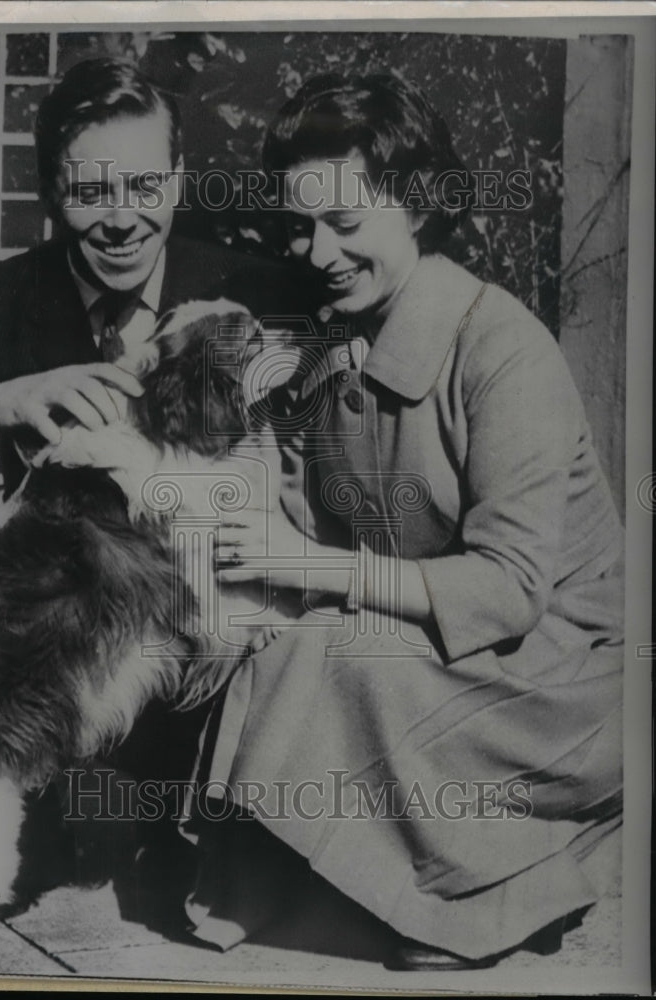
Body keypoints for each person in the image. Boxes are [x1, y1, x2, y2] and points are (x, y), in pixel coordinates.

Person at [181, 73, 624, 971]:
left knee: (349, 659)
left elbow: (507, 592)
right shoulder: (331, 339)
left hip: (557, 676)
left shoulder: (503, 349)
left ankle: (474, 900)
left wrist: (315, 569)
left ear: (419, 206)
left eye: (346, 225)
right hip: (429, 643)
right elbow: (311, 516)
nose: (317, 253)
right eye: (301, 227)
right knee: (281, 645)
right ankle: (325, 868)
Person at [0, 56, 299, 907]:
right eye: (92, 191)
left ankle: (211, 826)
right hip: (46, 668)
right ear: (53, 194)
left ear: (177, 179)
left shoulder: (254, 292)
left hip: (191, 648)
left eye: (143, 184)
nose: (123, 218)